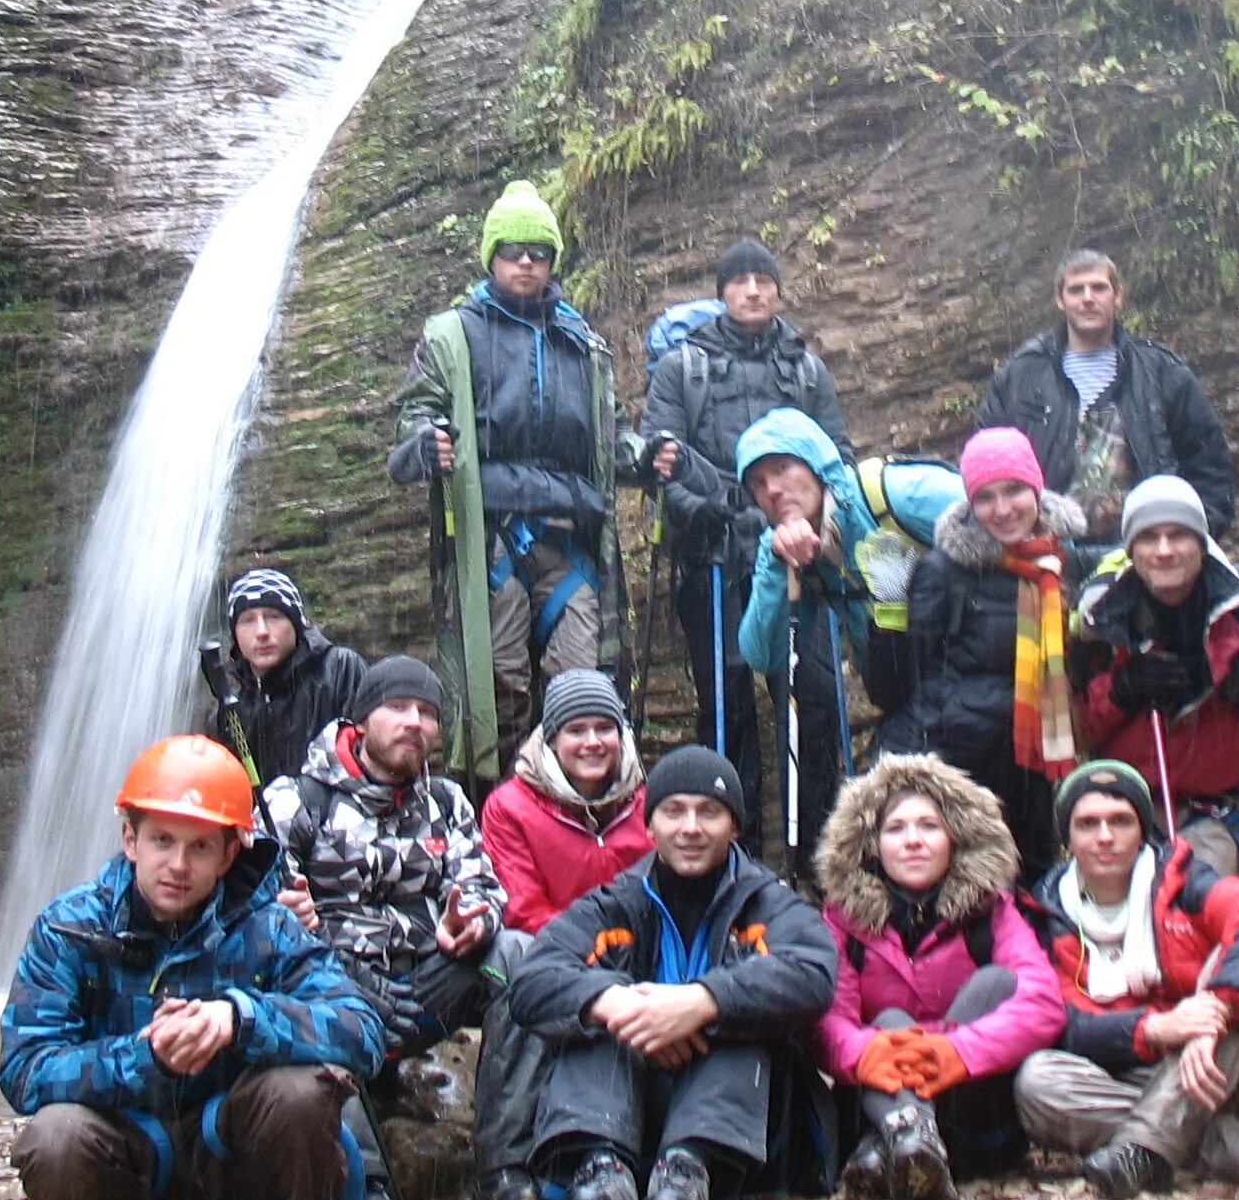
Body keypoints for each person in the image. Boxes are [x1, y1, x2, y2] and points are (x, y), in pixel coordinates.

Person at [0, 736, 384, 1200]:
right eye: (161, 841)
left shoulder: (268, 928)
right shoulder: (69, 930)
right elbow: (25, 1068)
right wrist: (143, 1056)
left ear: (230, 854)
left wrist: (242, 1020)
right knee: (55, 1133)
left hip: (237, 1154)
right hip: (122, 1159)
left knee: (300, 1090)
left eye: (200, 847)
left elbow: (363, 1031)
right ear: (130, 840)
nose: (178, 865)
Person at [509, 747, 838, 1200]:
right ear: (651, 824)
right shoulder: (615, 902)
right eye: (674, 811)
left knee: (739, 1023)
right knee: (594, 1018)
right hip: (629, 1102)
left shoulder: (766, 901)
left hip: (737, 1131)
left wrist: (702, 1002)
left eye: (709, 812)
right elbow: (532, 979)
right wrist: (617, 1005)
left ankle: (688, 1176)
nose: (691, 828)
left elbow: (813, 973)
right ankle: (602, 1178)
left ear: (734, 826)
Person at [262, 655, 536, 1200]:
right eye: (398, 708)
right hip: (332, 989)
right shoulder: (294, 802)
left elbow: (483, 884)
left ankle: (504, 1168)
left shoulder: (447, 802)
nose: (415, 722)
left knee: (516, 956)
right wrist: (320, 954)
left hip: (421, 988)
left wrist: (474, 920)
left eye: (428, 713)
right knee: (288, 1003)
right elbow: (256, 913)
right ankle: (368, 1193)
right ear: (361, 719)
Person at [389, 179, 621, 780]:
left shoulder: (583, 345)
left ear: (553, 260)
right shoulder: (453, 335)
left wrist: (650, 455)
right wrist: (423, 443)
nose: (525, 261)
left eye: (538, 251)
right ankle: (498, 822)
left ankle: (576, 812)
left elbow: (607, 436)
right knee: (499, 687)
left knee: (583, 689)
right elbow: (417, 413)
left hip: (570, 536)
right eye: (512, 249)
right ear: (490, 256)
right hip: (491, 536)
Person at [1014, 759, 1239, 1198]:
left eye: (1120, 821)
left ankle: (1140, 1151)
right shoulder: (1047, 915)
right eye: (1088, 824)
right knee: (1037, 1081)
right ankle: (1238, 1152)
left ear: (1142, 830)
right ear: (1068, 837)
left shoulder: (1185, 881)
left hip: (1212, 1072)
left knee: (1236, 969)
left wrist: (1213, 1014)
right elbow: (1064, 1024)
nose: (1105, 836)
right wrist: (1156, 1029)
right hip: (1128, 1074)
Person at [641, 238, 852, 845]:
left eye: (764, 279)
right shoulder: (686, 367)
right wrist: (696, 510)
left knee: (815, 698)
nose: (753, 290)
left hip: (802, 560)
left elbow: (839, 457)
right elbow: (661, 458)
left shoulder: (806, 371)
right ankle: (736, 849)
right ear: (721, 293)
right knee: (727, 709)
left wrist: (820, 526)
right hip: (714, 556)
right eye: (739, 281)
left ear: (779, 289)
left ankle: (818, 851)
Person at [809, 754, 1067, 1200]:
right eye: (895, 829)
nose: (913, 841)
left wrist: (957, 1052)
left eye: (929, 826)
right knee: (888, 1022)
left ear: (954, 837)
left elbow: (1042, 1001)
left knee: (995, 982)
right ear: (872, 844)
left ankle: (895, 1143)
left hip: (977, 1114)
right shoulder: (842, 921)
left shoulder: (993, 910)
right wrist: (865, 1053)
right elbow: (827, 1018)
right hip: (881, 1094)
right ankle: (910, 1140)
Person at [731, 408, 963, 872]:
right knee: (892, 807)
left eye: (782, 468)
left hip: (975, 666)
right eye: (758, 482)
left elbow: (1004, 518)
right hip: (906, 690)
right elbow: (763, 652)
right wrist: (780, 567)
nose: (772, 489)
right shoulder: (779, 548)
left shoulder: (894, 494)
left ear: (817, 465)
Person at [882, 426, 1107, 879]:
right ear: (969, 504)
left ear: (1037, 490)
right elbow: (905, 681)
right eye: (986, 497)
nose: (1002, 510)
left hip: (1037, 764)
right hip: (961, 762)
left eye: (1014, 491)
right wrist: (885, 612)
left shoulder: (1068, 564)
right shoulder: (944, 571)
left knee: (1033, 877)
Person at [1068, 475, 1239, 877]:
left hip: (1218, 807)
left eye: (1178, 535)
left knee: (1198, 906)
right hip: (1128, 808)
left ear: (1201, 542)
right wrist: (1123, 689)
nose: (1164, 551)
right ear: (1130, 549)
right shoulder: (1102, 618)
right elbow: (1079, 728)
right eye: (1149, 538)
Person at [975, 247, 1235, 541]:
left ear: (1118, 296)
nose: (1088, 298)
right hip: (1045, 553)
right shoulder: (1020, 377)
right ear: (1060, 299)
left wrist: (1191, 539)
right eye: (1076, 290)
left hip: (1143, 556)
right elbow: (984, 466)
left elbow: (1210, 467)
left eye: (1099, 287)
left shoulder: (1162, 372)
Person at [479, 669, 655, 936]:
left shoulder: (649, 802)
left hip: (642, 951)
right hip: (555, 954)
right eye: (576, 731)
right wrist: (597, 947)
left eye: (605, 728)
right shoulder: (509, 808)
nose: (593, 742)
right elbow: (523, 910)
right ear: (552, 740)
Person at [208, 567, 367, 787]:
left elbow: (369, 758)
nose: (262, 631)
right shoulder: (231, 710)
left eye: (274, 617)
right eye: (248, 620)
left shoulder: (339, 669)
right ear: (235, 633)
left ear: (296, 624)